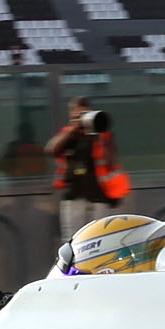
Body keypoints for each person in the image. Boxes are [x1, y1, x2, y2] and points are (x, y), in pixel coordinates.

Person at [47, 96, 119, 237]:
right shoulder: (68, 134)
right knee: (73, 240)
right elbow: (51, 150)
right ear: (72, 115)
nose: (83, 118)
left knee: (100, 239)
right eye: (79, 114)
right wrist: (73, 130)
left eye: (86, 114)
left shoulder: (102, 135)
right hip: (74, 196)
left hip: (99, 197)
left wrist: (98, 133)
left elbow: (111, 162)